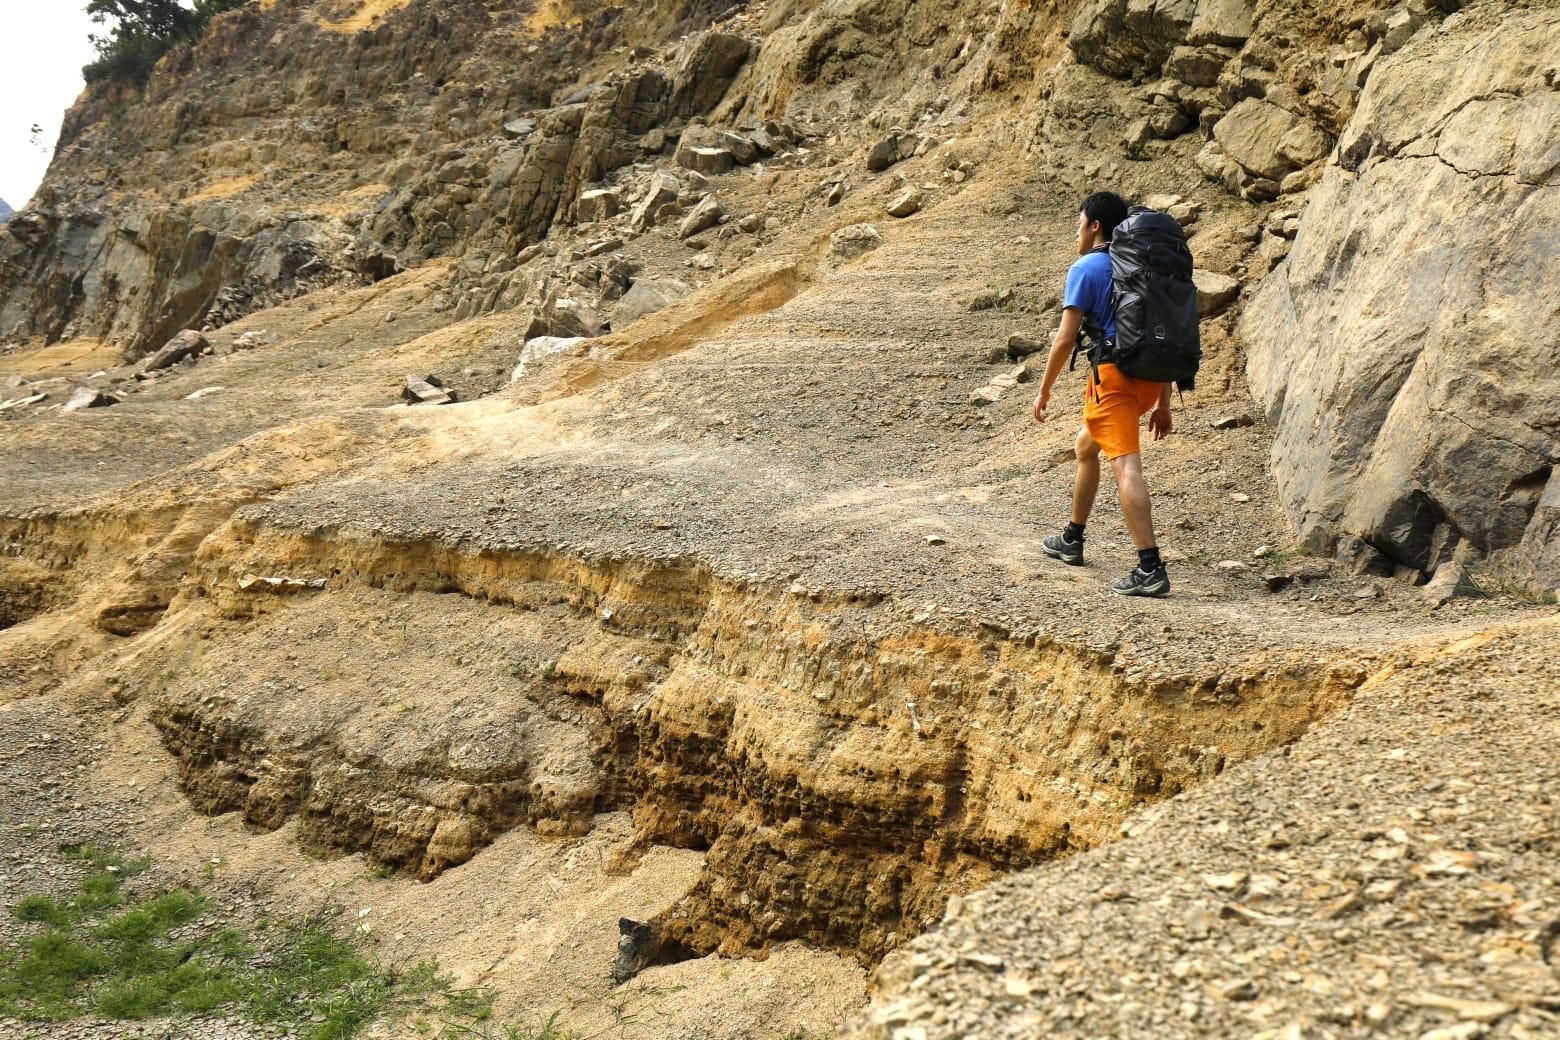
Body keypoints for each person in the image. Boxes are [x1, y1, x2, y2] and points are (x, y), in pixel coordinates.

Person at [1031, 191, 1173, 597]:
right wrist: (1163, 403)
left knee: (1127, 468)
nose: (1076, 232)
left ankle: (1150, 567)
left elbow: (1064, 341)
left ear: (1095, 226)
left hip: (1115, 382)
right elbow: (1156, 330)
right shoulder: (1143, 266)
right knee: (1085, 446)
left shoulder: (1087, 268)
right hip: (1149, 380)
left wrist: (1043, 392)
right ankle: (1072, 538)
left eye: (1079, 223)